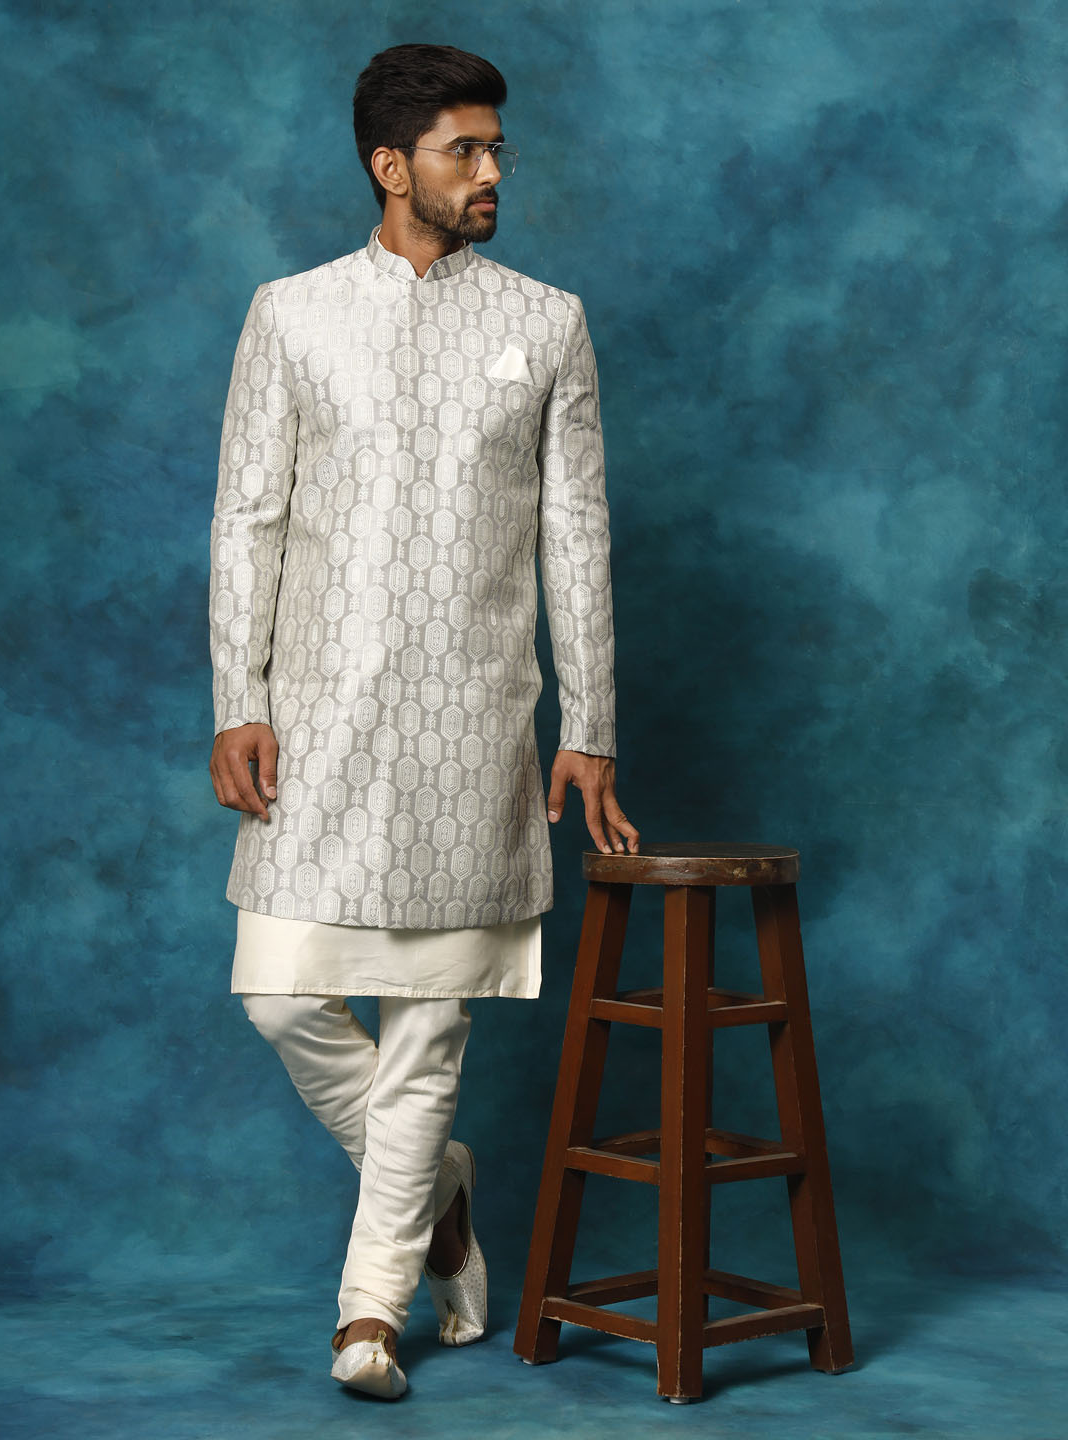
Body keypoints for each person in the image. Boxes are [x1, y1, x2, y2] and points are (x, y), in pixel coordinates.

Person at [208, 42, 638, 1400]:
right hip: (319, 721)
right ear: (390, 166)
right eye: (465, 149)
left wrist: (591, 722)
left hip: (476, 724)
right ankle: (438, 1187)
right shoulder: (292, 315)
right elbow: (248, 522)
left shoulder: (548, 322)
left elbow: (577, 539)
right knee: (283, 996)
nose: (492, 170)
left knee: (427, 1031)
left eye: (496, 147)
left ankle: (368, 1317)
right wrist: (238, 700)